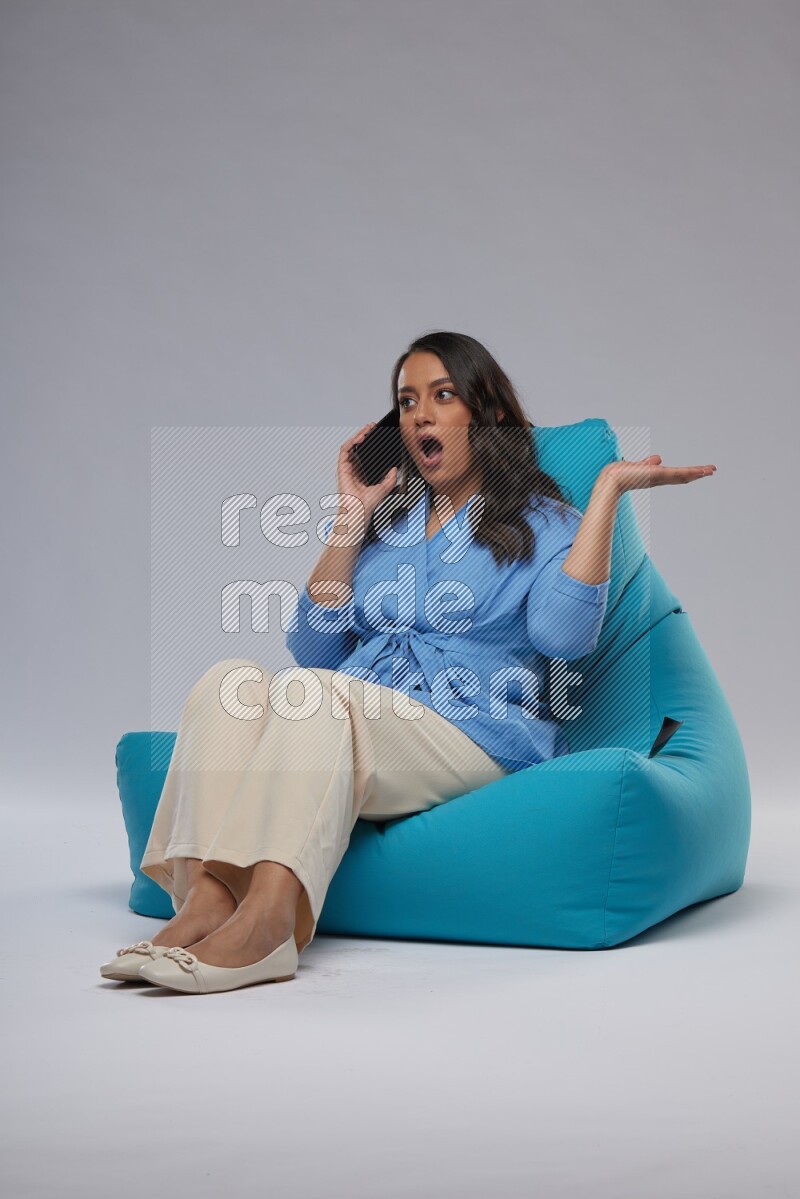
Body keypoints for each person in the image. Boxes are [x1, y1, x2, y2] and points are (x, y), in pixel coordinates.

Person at [100, 330, 716, 994]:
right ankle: (202, 905)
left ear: (489, 415)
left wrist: (606, 494)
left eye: (441, 395)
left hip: (475, 735)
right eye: (406, 400)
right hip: (360, 723)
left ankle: (268, 926)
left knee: (318, 698)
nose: (418, 414)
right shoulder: (387, 527)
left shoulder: (548, 522)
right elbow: (313, 647)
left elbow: (564, 636)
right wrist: (349, 517)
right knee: (228, 683)